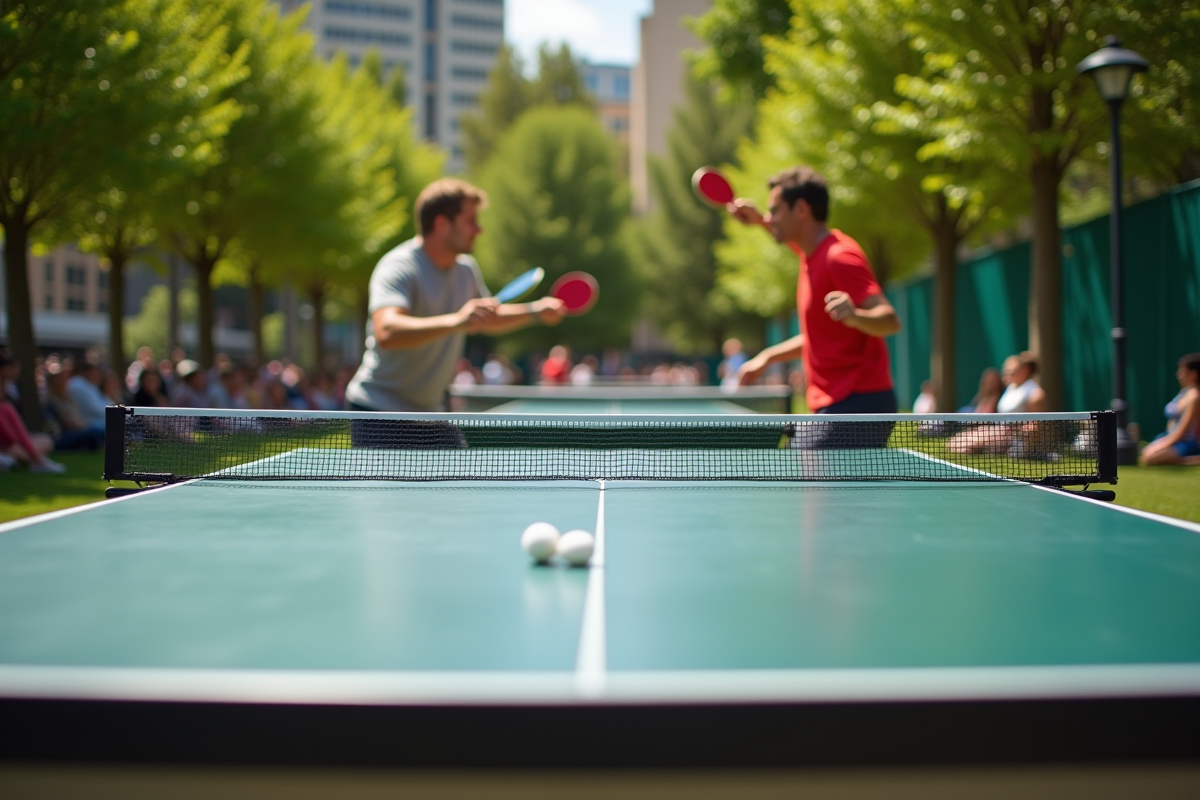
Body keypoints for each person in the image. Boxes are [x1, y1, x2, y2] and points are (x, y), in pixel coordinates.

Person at [345, 179, 565, 413]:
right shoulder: (399, 266)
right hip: (378, 410)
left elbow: (485, 318)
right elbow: (388, 332)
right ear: (442, 224)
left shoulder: (466, 269)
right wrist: (457, 320)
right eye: (471, 221)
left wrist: (535, 312)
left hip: (431, 412)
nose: (479, 230)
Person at [728, 167, 900, 447]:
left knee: (810, 471)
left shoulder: (839, 257)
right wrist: (767, 357)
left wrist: (855, 315)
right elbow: (818, 337)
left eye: (775, 210)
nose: (771, 218)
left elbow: (890, 320)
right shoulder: (811, 253)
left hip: (860, 405)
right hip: (834, 404)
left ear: (801, 209)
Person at [1140, 353, 1200, 466]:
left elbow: (1181, 431)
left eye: (1182, 371)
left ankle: (1194, 460)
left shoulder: (1195, 397)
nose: (1178, 374)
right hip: (1171, 437)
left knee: (1150, 457)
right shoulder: (1183, 393)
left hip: (1186, 443)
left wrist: (1163, 445)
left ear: (1193, 374)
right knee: (1145, 454)